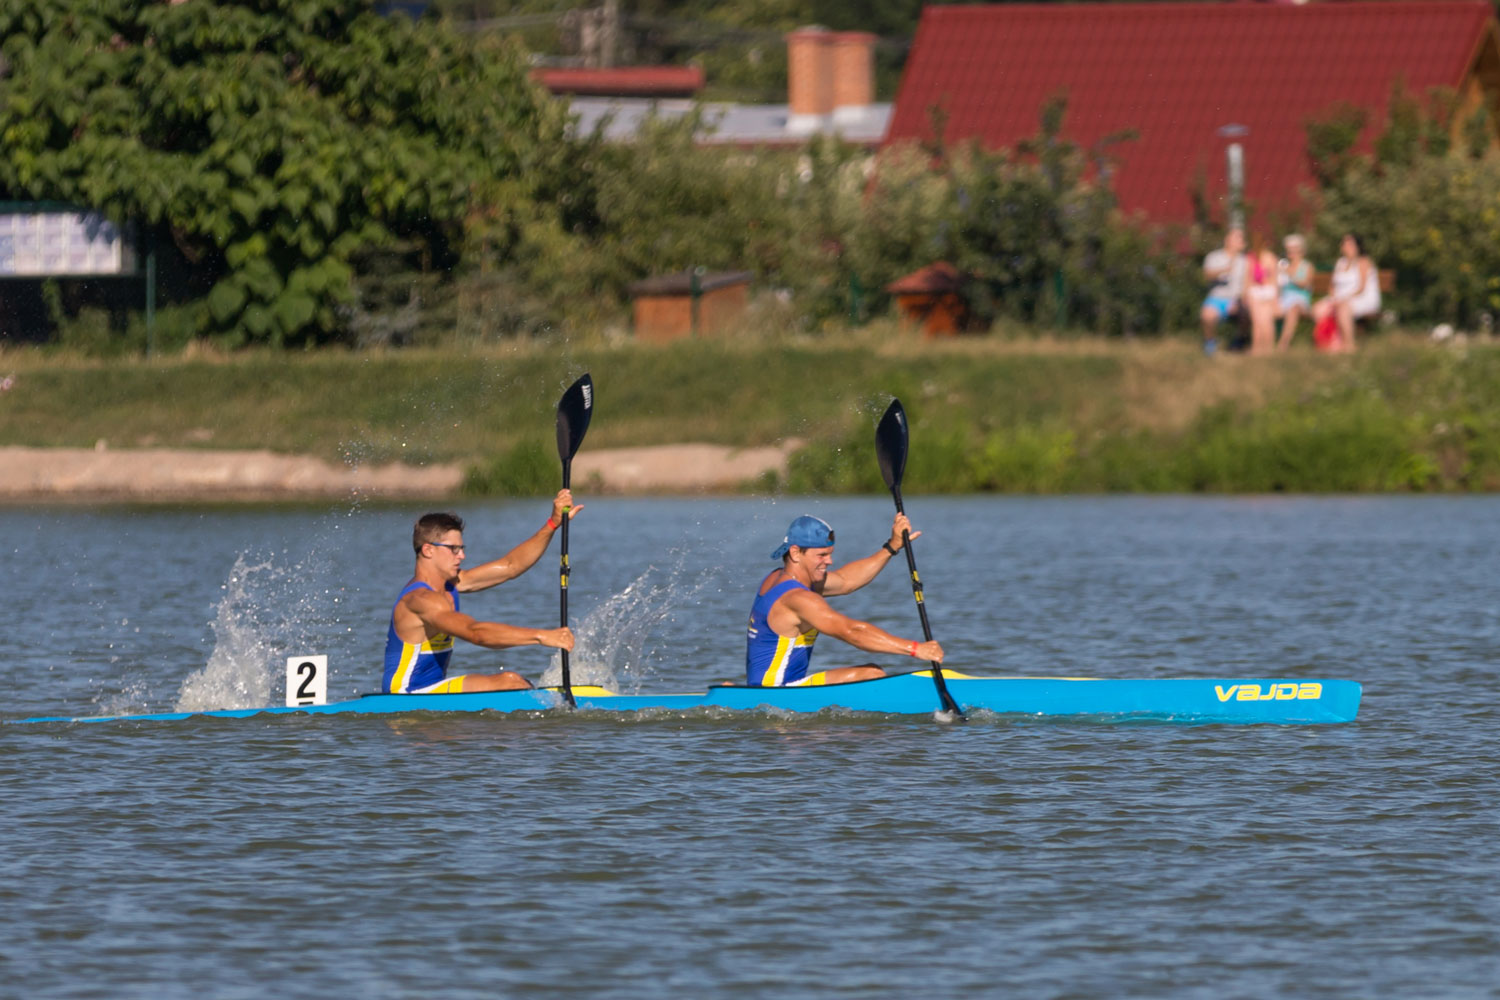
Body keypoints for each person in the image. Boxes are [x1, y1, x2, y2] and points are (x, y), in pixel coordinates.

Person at [383, 492, 580, 694]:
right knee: (509, 682)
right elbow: (476, 633)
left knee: (513, 681)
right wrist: (542, 636)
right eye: (453, 549)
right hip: (407, 694)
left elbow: (511, 566)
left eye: (461, 548)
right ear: (428, 550)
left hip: (432, 690)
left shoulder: (452, 585)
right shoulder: (420, 600)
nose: (462, 555)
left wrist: (552, 524)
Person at [745, 514, 944, 687]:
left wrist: (891, 547)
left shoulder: (777, 578)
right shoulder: (799, 598)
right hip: (776, 694)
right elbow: (852, 632)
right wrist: (916, 649)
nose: (829, 561)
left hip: (767, 688)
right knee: (871, 675)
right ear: (795, 552)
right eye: (821, 555)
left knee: (872, 672)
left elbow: (846, 581)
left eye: (829, 554)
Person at [1311, 232, 1381, 353]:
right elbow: (1332, 286)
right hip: (1340, 299)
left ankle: (1349, 345)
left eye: (1349, 244)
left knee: (1343, 308)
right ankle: (1330, 341)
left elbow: (1361, 288)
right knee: (1318, 309)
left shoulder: (1363, 262)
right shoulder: (1340, 263)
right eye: (1344, 243)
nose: (1346, 246)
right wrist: (1332, 298)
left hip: (1362, 298)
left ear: (1357, 246)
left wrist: (1343, 299)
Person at [1200, 227, 1246, 356]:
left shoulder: (1245, 260)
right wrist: (1224, 269)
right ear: (1228, 240)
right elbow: (1207, 275)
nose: (1241, 240)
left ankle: (1239, 341)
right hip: (1217, 298)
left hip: (1237, 299)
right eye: (1238, 237)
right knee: (1207, 317)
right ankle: (1210, 343)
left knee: (1246, 313)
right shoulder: (1214, 257)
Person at [1275, 234, 1314, 350]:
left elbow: (1305, 284)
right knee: (1266, 309)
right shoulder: (1283, 265)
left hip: (1300, 299)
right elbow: (1277, 285)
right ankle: (1262, 343)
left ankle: (1283, 344)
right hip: (1283, 298)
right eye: (1288, 249)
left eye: (1293, 248)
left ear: (1300, 250)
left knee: (1293, 310)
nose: (1290, 251)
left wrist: (1290, 273)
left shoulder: (1307, 266)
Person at [1243, 238, 1279, 356]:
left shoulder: (1269, 258)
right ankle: (1258, 349)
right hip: (1256, 291)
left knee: (1265, 322)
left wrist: (1275, 298)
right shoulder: (1252, 258)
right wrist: (1246, 294)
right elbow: (1248, 278)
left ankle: (1267, 349)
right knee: (1258, 322)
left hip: (1266, 291)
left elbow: (1274, 279)